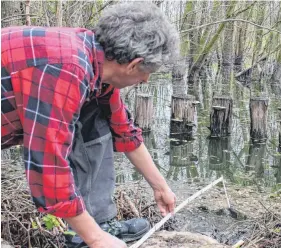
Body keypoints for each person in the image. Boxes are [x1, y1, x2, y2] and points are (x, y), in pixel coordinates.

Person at [1, 2, 179, 247]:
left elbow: (124, 130)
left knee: (96, 114)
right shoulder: (67, 68)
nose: (145, 80)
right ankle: (89, 234)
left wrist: (160, 187)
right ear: (133, 64)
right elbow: (48, 165)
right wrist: (96, 240)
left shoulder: (97, 63)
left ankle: (96, 223)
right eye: (145, 73)